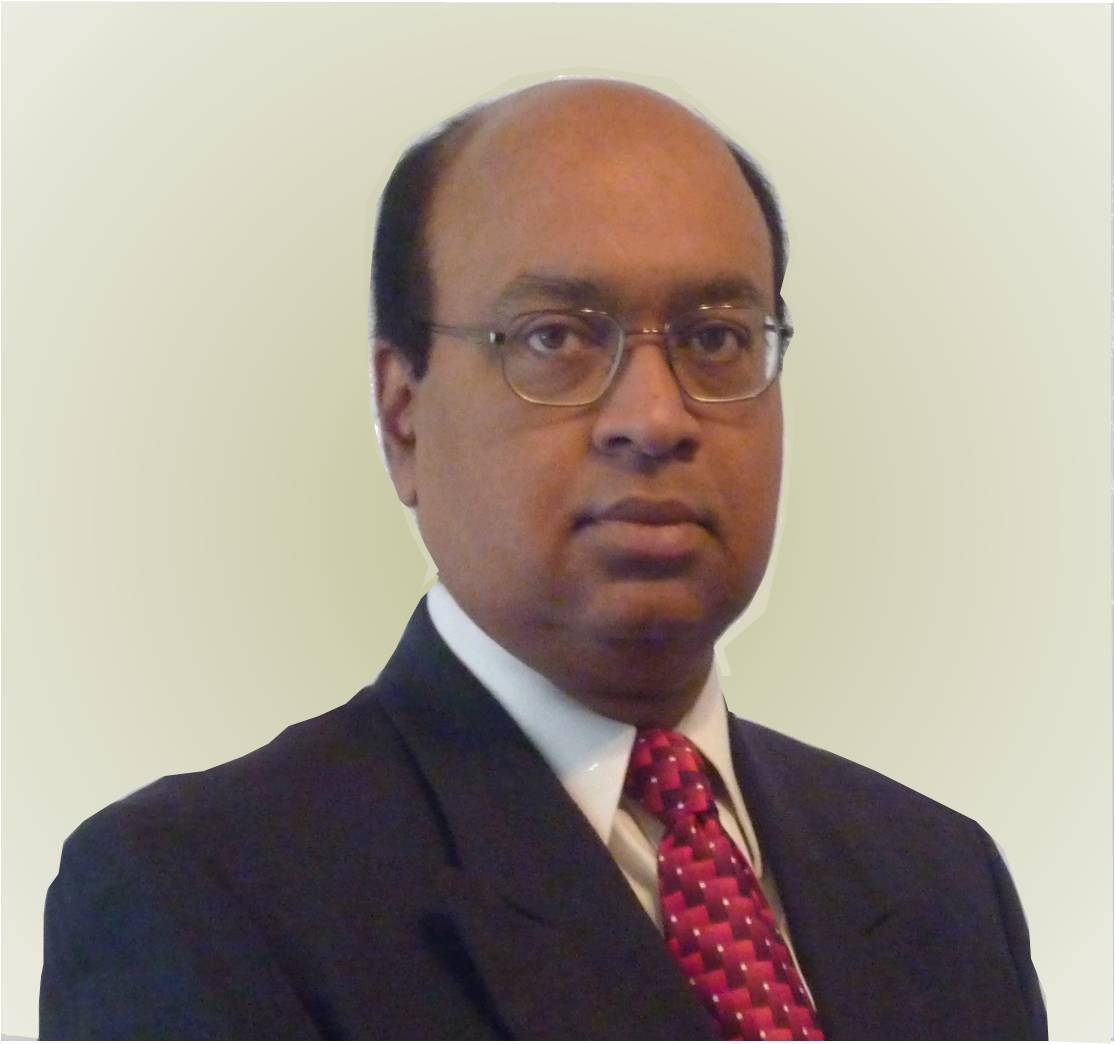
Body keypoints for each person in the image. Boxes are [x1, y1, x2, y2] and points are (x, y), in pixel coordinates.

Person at [39, 78, 1047, 1041]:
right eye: (555, 338)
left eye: (714, 339)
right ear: (401, 413)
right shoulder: (205, 891)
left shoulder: (939, 878)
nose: (654, 417)